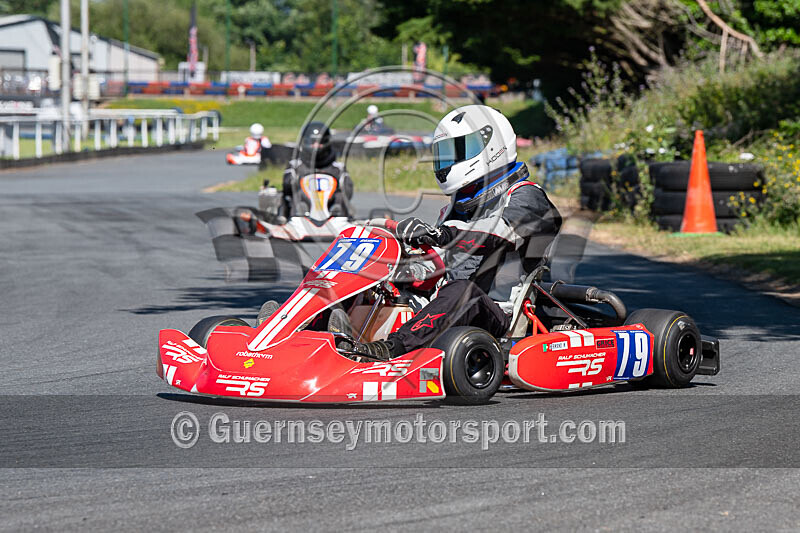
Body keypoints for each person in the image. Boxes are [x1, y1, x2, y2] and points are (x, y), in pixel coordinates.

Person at [356, 104, 562, 360]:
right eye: (445, 154)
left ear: (492, 146)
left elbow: (500, 234)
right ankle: (335, 340)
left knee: (462, 291)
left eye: (459, 150)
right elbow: (440, 264)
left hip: (501, 319)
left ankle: (389, 351)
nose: (449, 161)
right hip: (449, 306)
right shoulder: (458, 206)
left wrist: (442, 234)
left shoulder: (527, 197)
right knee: (376, 280)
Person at [282, 121, 354, 218]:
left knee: (340, 197)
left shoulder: (337, 167)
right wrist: (294, 182)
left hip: (331, 208)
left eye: (319, 143)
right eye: (313, 143)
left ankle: (338, 217)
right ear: (306, 142)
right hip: (303, 209)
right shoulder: (295, 166)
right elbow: (286, 187)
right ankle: (299, 217)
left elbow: (348, 191)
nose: (316, 146)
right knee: (298, 195)